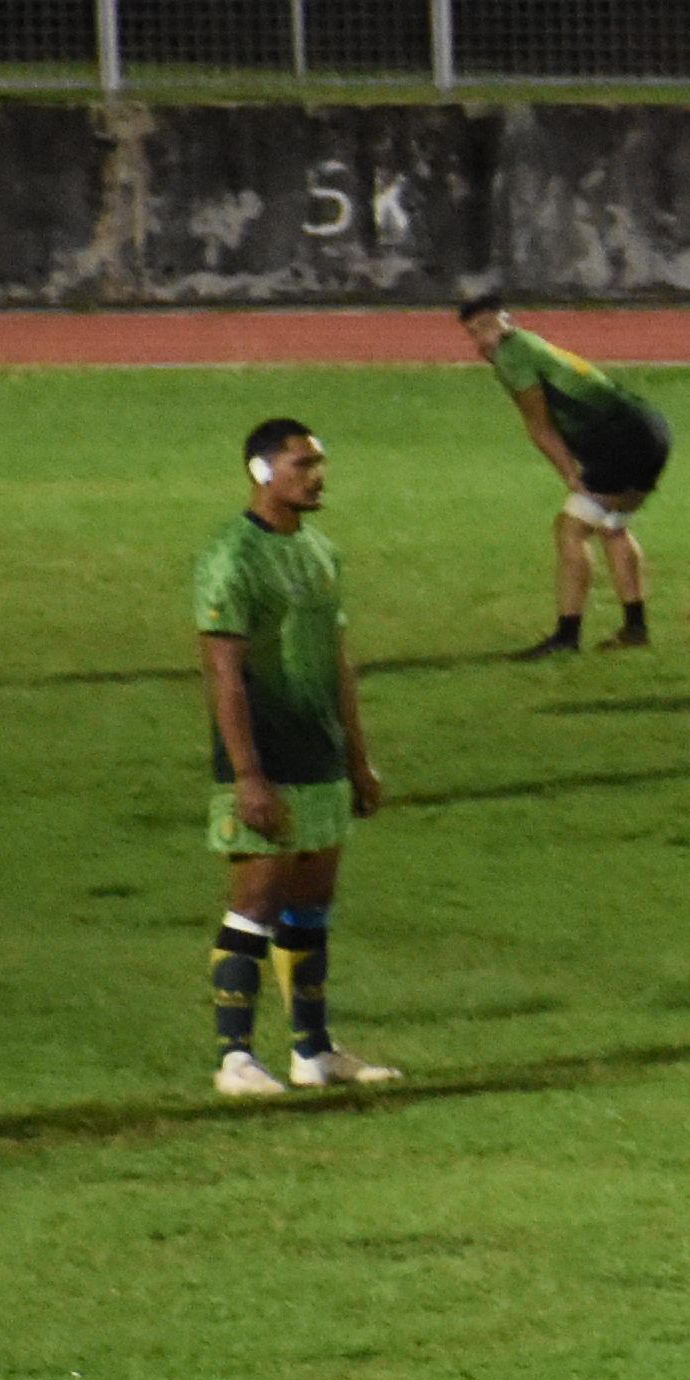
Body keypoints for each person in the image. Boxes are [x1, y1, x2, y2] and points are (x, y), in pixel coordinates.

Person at [194, 418, 396, 1096]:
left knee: (311, 904)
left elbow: (338, 663)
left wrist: (359, 760)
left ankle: (313, 1053)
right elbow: (222, 671)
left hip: (322, 757)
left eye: (320, 463)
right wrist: (248, 774)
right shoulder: (231, 557)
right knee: (255, 899)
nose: (317, 475)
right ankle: (236, 1059)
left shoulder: (321, 552)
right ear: (261, 473)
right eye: (302, 464)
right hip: (264, 759)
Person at [460, 291, 673, 656]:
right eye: (472, 332)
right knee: (613, 526)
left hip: (618, 443)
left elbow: (539, 425)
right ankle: (635, 629)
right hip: (650, 430)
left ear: (505, 319)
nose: (481, 339)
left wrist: (571, 477)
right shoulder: (529, 343)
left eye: (485, 326)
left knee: (570, 529)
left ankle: (566, 636)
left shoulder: (512, 355)